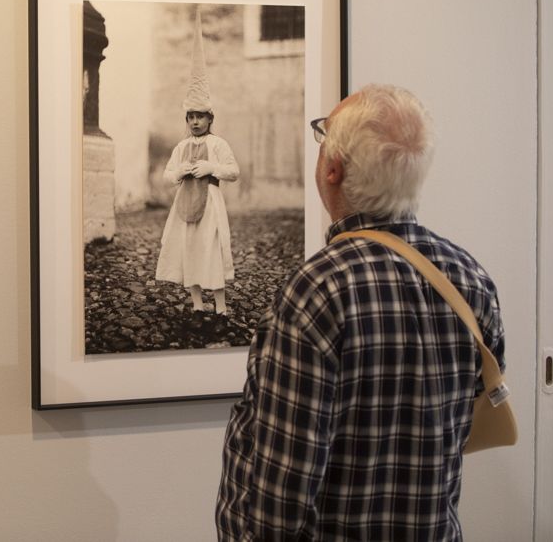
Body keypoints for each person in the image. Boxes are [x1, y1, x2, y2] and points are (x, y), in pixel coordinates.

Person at [216, 84, 506, 540]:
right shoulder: (470, 279)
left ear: (332, 169)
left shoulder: (316, 293)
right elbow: (462, 426)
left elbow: (279, 500)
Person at [155, 98, 240, 334]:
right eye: (191, 117)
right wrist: (178, 173)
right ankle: (198, 307)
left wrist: (212, 168)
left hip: (210, 204)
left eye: (200, 116)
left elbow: (234, 171)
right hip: (185, 202)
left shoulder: (218, 144)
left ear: (210, 118)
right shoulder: (181, 147)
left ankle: (221, 310)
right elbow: (167, 174)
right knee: (189, 249)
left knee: (210, 251)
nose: (195, 122)